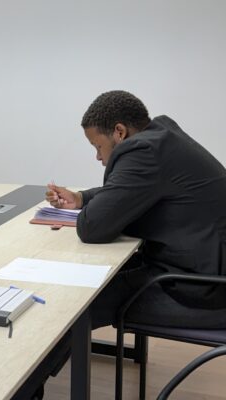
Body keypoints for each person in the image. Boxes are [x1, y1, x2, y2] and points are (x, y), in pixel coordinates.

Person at [46, 90, 226, 329]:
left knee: (73, 306)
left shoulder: (143, 152)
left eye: (98, 146)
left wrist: (91, 209)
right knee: (92, 281)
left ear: (119, 132)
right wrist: (81, 198)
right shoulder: (161, 137)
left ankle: (39, 354)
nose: (98, 157)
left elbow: (91, 227)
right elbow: (129, 189)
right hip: (202, 270)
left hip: (204, 291)